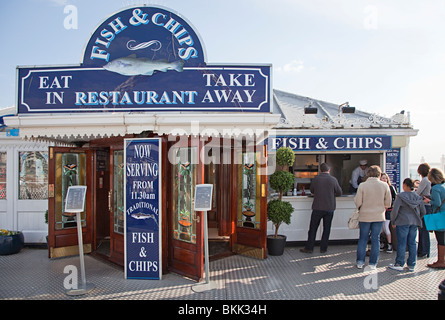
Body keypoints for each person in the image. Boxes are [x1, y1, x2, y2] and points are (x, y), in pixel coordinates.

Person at [354, 165, 392, 269]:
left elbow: (357, 202)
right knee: (376, 239)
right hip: (379, 216)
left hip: (365, 216)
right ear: (379, 174)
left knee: (363, 239)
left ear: (368, 173)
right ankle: (373, 263)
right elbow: (388, 203)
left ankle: (360, 262)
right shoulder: (385, 186)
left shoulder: (362, 185)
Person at [300, 163, 342, 254]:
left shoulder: (316, 179)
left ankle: (309, 248)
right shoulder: (333, 179)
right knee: (326, 229)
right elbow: (339, 192)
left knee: (313, 228)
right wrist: (331, 194)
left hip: (318, 207)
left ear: (320, 170)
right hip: (329, 208)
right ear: (329, 170)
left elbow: (312, 190)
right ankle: (323, 248)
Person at [388, 178, 426, 272]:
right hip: (414, 222)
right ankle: (411, 264)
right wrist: (418, 217)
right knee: (412, 243)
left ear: (405, 185)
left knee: (402, 242)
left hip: (402, 222)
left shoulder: (400, 196)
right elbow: (423, 211)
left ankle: (399, 263)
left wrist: (393, 221)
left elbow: (395, 210)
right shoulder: (418, 197)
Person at [423, 168, 445, 269]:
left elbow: (437, 203)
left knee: (440, 239)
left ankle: (440, 261)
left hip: (439, 216)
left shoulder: (435, 188)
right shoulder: (443, 186)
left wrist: (428, 201)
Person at [416, 163, 431, 258]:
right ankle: (425, 250)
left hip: (424, 206)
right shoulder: (429, 180)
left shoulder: (424, 180)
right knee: (425, 229)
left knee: (422, 229)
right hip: (428, 206)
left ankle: (423, 250)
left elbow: (417, 193)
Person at [380, 172, 397, 253]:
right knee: (381, 229)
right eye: (383, 178)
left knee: (386, 227)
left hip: (388, 211)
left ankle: (389, 245)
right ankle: (383, 243)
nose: (384, 179)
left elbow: (395, 198)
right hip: (380, 210)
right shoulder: (379, 188)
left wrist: (389, 206)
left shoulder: (391, 187)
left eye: (385, 178)